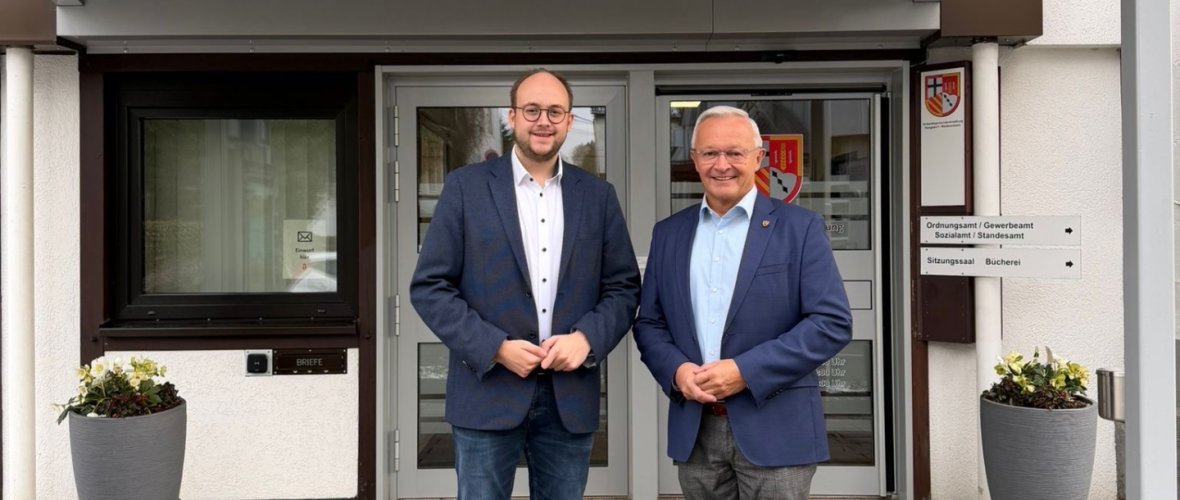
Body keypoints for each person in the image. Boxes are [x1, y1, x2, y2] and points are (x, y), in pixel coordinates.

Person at [410, 68, 640, 500]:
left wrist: (586, 340)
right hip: (486, 391)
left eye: (555, 111)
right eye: (532, 110)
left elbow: (624, 288)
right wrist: (494, 347)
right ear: (512, 117)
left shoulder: (598, 196)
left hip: (568, 397)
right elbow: (430, 286)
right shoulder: (466, 188)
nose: (544, 121)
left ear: (570, 121)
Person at [634, 105, 852, 500]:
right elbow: (650, 322)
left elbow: (830, 322)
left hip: (777, 428)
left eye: (734, 152)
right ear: (695, 160)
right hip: (696, 428)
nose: (723, 165)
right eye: (710, 153)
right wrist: (676, 370)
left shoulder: (800, 229)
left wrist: (745, 371)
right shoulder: (668, 234)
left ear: (758, 158)